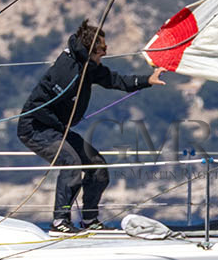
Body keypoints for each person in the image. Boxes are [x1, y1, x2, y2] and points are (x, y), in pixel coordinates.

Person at [18, 19, 164, 233]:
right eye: (102, 49)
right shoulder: (66, 71)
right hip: (36, 128)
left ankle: (89, 220)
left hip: (56, 129)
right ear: (89, 49)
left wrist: (147, 80)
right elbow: (37, 107)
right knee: (71, 163)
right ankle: (60, 222)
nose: (105, 52)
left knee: (97, 166)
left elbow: (115, 80)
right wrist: (60, 126)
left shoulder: (89, 66)